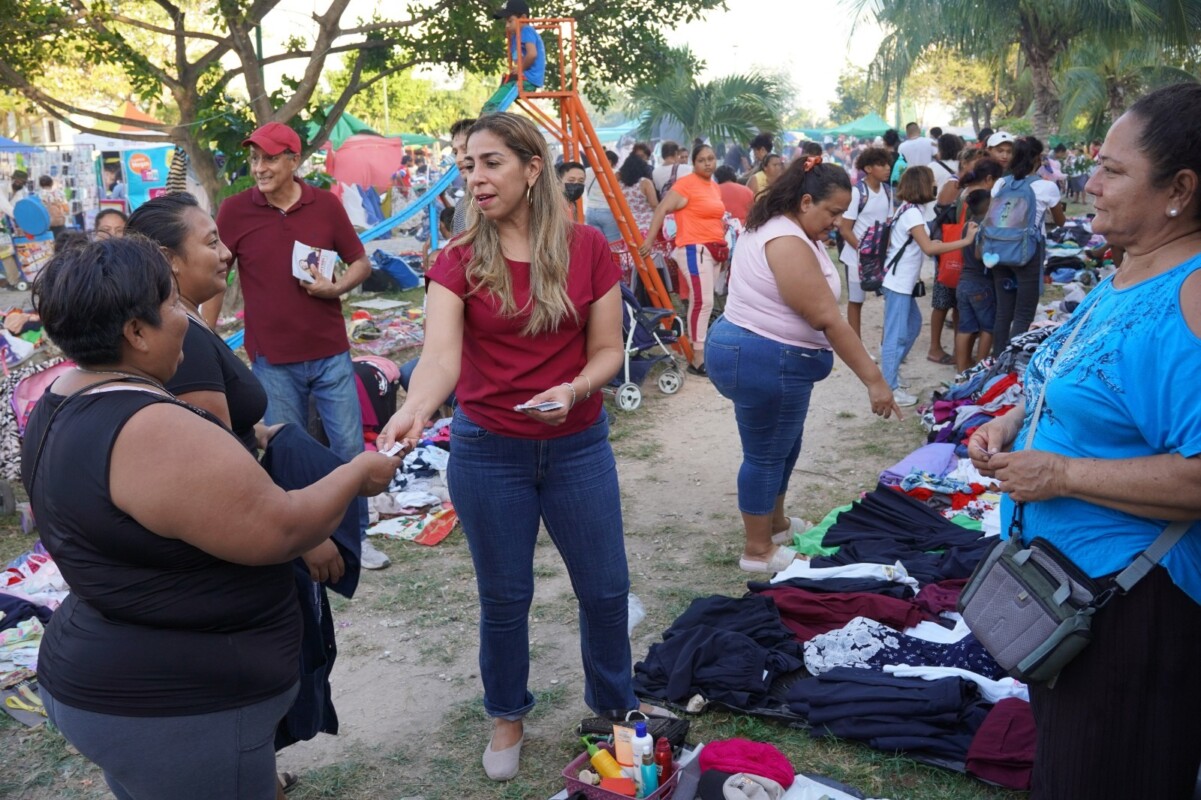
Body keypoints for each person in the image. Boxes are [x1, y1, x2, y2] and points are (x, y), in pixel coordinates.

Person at [23, 236, 399, 800]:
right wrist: (355, 474)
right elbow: (284, 529)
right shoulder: (151, 428)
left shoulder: (61, 396)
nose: (185, 318)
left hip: (114, 682)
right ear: (135, 332)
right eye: (172, 304)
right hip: (176, 705)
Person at [376, 112, 670, 782]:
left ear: (531, 167)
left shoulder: (586, 247)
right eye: (466, 166)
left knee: (604, 589)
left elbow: (603, 351)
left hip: (577, 446)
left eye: (490, 163)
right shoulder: (455, 259)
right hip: (488, 453)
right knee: (504, 596)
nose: (474, 178)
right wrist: (416, 409)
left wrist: (572, 390)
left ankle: (613, 705)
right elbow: (441, 359)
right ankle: (507, 714)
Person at [967, 82, 1201, 799]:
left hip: (1133, 612)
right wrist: (1013, 420)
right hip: (1069, 594)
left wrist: (1062, 476)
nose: (1088, 184)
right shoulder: (1128, 268)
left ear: (1180, 190)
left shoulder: (1191, 296)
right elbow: (1081, 386)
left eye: (1113, 170)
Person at [707, 159, 901, 572]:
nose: (837, 222)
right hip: (764, 358)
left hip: (766, 357)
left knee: (782, 447)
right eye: (832, 213)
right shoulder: (786, 240)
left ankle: (774, 526)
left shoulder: (787, 227)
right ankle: (758, 551)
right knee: (764, 454)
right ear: (806, 200)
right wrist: (874, 379)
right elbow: (826, 317)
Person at [215, 121, 391, 571]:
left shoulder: (326, 205)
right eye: (255, 159)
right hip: (271, 360)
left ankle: (356, 537)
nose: (260, 167)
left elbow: (360, 262)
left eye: (270, 158)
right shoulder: (235, 212)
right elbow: (216, 273)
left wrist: (336, 289)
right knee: (285, 453)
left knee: (348, 450)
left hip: (330, 351)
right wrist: (205, 332)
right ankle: (298, 543)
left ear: (294, 160)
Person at [880, 166, 978, 407]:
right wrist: (964, 240)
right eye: (932, 181)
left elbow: (920, 242)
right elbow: (929, 248)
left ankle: (890, 376)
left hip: (902, 282)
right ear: (922, 185)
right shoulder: (912, 213)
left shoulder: (910, 209)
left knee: (912, 327)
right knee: (896, 336)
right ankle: (888, 387)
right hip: (899, 283)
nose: (935, 185)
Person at [639, 143, 726, 375]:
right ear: (693, 163)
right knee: (703, 301)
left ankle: (702, 349)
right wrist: (648, 241)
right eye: (702, 160)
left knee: (706, 301)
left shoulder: (714, 186)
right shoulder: (685, 185)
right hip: (693, 248)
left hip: (715, 249)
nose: (708, 163)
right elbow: (661, 210)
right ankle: (697, 358)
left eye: (711, 158)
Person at [988, 136, 1066, 355]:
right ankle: (1012, 362)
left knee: (1004, 311)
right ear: (1037, 158)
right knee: (1023, 312)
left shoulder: (1001, 183)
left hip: (999, 250)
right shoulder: (1046, 187)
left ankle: (996, 359)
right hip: (1027, 252)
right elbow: (1060, 221)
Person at [952, 158, 1004, 372]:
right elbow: (979, 253)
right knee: (988, 328)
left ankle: (961, 366)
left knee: (965, 327)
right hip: (981, 284)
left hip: (964, 282)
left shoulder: (967, 225)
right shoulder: (986, 226)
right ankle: (980, 367)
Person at [836, 147, 893, 340]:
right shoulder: (857, 192)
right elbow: (845, 228)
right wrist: (864, 251)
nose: (887, 168)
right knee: (856, 300)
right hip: (856, 258)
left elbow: (888, 223)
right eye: (881, 164)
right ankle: (856, 344)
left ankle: (888, 344)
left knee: (889, 299)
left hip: (880, 257)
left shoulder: (887, 190)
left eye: (887, 164)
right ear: (868, 168)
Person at [617, 150, 658, 235]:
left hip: (628, 227)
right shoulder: (645, 182)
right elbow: (654, 204)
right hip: (647, 226)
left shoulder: (619, 184)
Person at [584, 150, 621, 242]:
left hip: (590, 211)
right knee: (614, 245)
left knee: (598, 243)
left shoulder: (587, 171)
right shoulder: (615, 173)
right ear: (610, 161)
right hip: (608, 211)